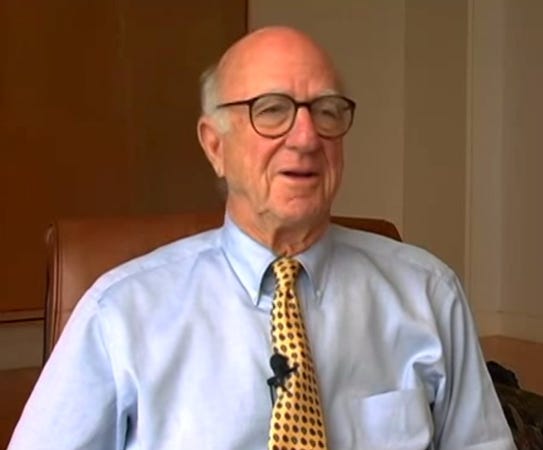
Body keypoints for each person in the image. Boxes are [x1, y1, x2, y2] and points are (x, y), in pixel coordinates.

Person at [9, 26, 515, 449]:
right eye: (271, 110)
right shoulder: (119, 315)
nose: (306, 137)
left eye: (327, 110)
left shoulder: (428, 293)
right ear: (215, 146)